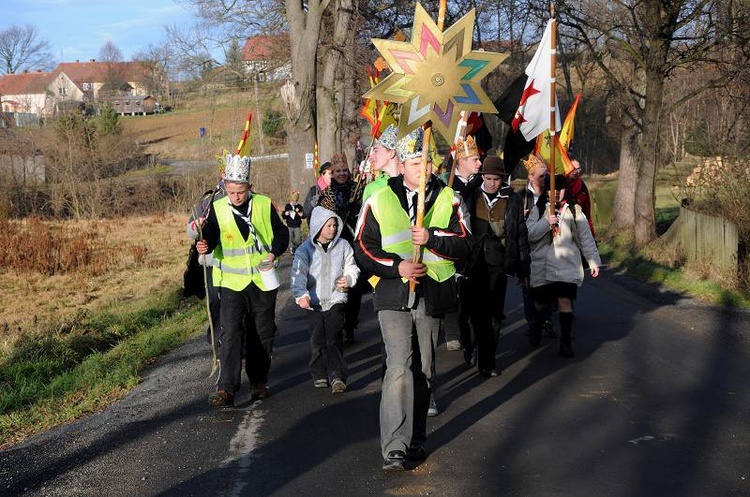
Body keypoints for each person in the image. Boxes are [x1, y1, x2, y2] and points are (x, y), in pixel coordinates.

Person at [355, 127, 472, 471]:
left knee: (423, 370)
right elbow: (364, 247)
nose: (422, 168)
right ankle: (394, 445)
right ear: (402, 165)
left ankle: (417, 438)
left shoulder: (449, 196)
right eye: (415, 162)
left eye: (427, 161)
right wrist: (397, 266)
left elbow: (465, 243)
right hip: (392, 293)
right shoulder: (379, 197)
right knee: (398, 366)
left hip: (433, 291)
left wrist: (433, 238)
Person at [196, 152, 289, 407]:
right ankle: (226, 388)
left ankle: (258, 382)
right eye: (232, 191)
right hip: (231, 283)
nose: (236, 196)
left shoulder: (263, 204)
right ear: (225, 187)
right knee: (231, 334)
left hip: (261, 281)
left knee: (263, 333)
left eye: (241, 191)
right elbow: (211, 236)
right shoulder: (216, 208)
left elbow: (281, 234)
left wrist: (272, 252)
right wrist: (203, 243)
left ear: (249, 187)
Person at [461, 155, 530, 377]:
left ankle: (487, 362)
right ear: (483, 177)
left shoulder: (513, 199)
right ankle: (471, 345)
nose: (492, 183)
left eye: (496, 179)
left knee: (494, 314)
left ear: (503, 179)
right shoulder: (470, 194)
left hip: (499, 262)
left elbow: (520, 233)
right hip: (474, 262)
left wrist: (523, 268)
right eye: (488, 179)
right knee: (474, 312)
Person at [525, 157, 601, 357]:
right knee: (541, 303)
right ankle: (536, 328)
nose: (556, 193)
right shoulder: (538, 209)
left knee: (564, 301)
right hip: (542, 265)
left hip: (565, 263)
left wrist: (593, 261)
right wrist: (545, 223)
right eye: (552, 189)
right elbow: (530, 235)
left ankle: (566, 341)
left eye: (560, 189)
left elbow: (585, 237)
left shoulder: (574, 210)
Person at [291, 206, 360, 394]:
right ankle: (319, 372)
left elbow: (352, 267)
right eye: (329, 225)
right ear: (318, 226)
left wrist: (349, 279)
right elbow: (298, 273)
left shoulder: (343, 245)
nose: (333, 229)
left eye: (335, 225)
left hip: (336, 298)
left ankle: (337, 375)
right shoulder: (305, 250)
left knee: (334, 336)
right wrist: (301, 294)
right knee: (318, 339)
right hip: (313, 302)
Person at [440, 135, 482, 360]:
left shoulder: (481, 185)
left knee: (472, 299)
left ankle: (473, 342)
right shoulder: (446, 185)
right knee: (452, 292)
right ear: (461, 161)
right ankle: (453, 330)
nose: (479, 164)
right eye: (474, 159)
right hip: (453, 245)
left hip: (476, 248)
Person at [318, 153, 366, 343]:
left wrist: (354, 208)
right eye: (338, 171)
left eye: (345, 170)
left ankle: (351, 324)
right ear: (332, 173)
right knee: (338, 285)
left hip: (354, 241)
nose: (342, 174)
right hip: (336, 242)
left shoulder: (357, 189)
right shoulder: (327, 193)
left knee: (354, 286)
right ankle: (338, 323)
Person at [186, 161, 226, 346]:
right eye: (226, 171)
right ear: (222, 173)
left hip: (240, 263)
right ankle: (217, 337)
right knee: (216, 303)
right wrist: (197, 226)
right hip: (212, 262)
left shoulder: (248, 197)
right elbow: (191, 229)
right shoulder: (208, 201)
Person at [518, 155, 556, 338]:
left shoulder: (553, 193)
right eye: (541, 176)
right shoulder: (520, 197)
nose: (545, 179)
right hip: (528, 249)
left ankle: (546, 319)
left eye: (547, 175)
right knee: (528, 285)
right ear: (531, 177)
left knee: (549, 285)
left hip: (549, 247)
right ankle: (532, 320)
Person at [566, 149, 596, 240]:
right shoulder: (559, 186)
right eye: (573, 169)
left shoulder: (582, 187)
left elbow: (587, 212)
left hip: (580, 228)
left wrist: (591, 234)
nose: (576, 172)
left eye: (578, 169)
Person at [303, 161, 332, 225]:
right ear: (322, 175)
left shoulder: (337, 189)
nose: (332, 176)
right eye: (330, 173)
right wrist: (312, 204)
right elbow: (304, 213)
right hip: (317, 229)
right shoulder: (314, 191)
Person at [282, 189, 305, 254]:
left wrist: (300, 214)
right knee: (290, 238)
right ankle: (291, 247)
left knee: (297, 239)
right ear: (290, 200)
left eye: (295, 201)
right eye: (292, 201)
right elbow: (284, 216)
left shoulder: (299, 206)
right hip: (289, 225)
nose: (294, 202)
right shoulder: (287, 206)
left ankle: (297, 247)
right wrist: (285, 214)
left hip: (297, 225)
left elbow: (303, 215)